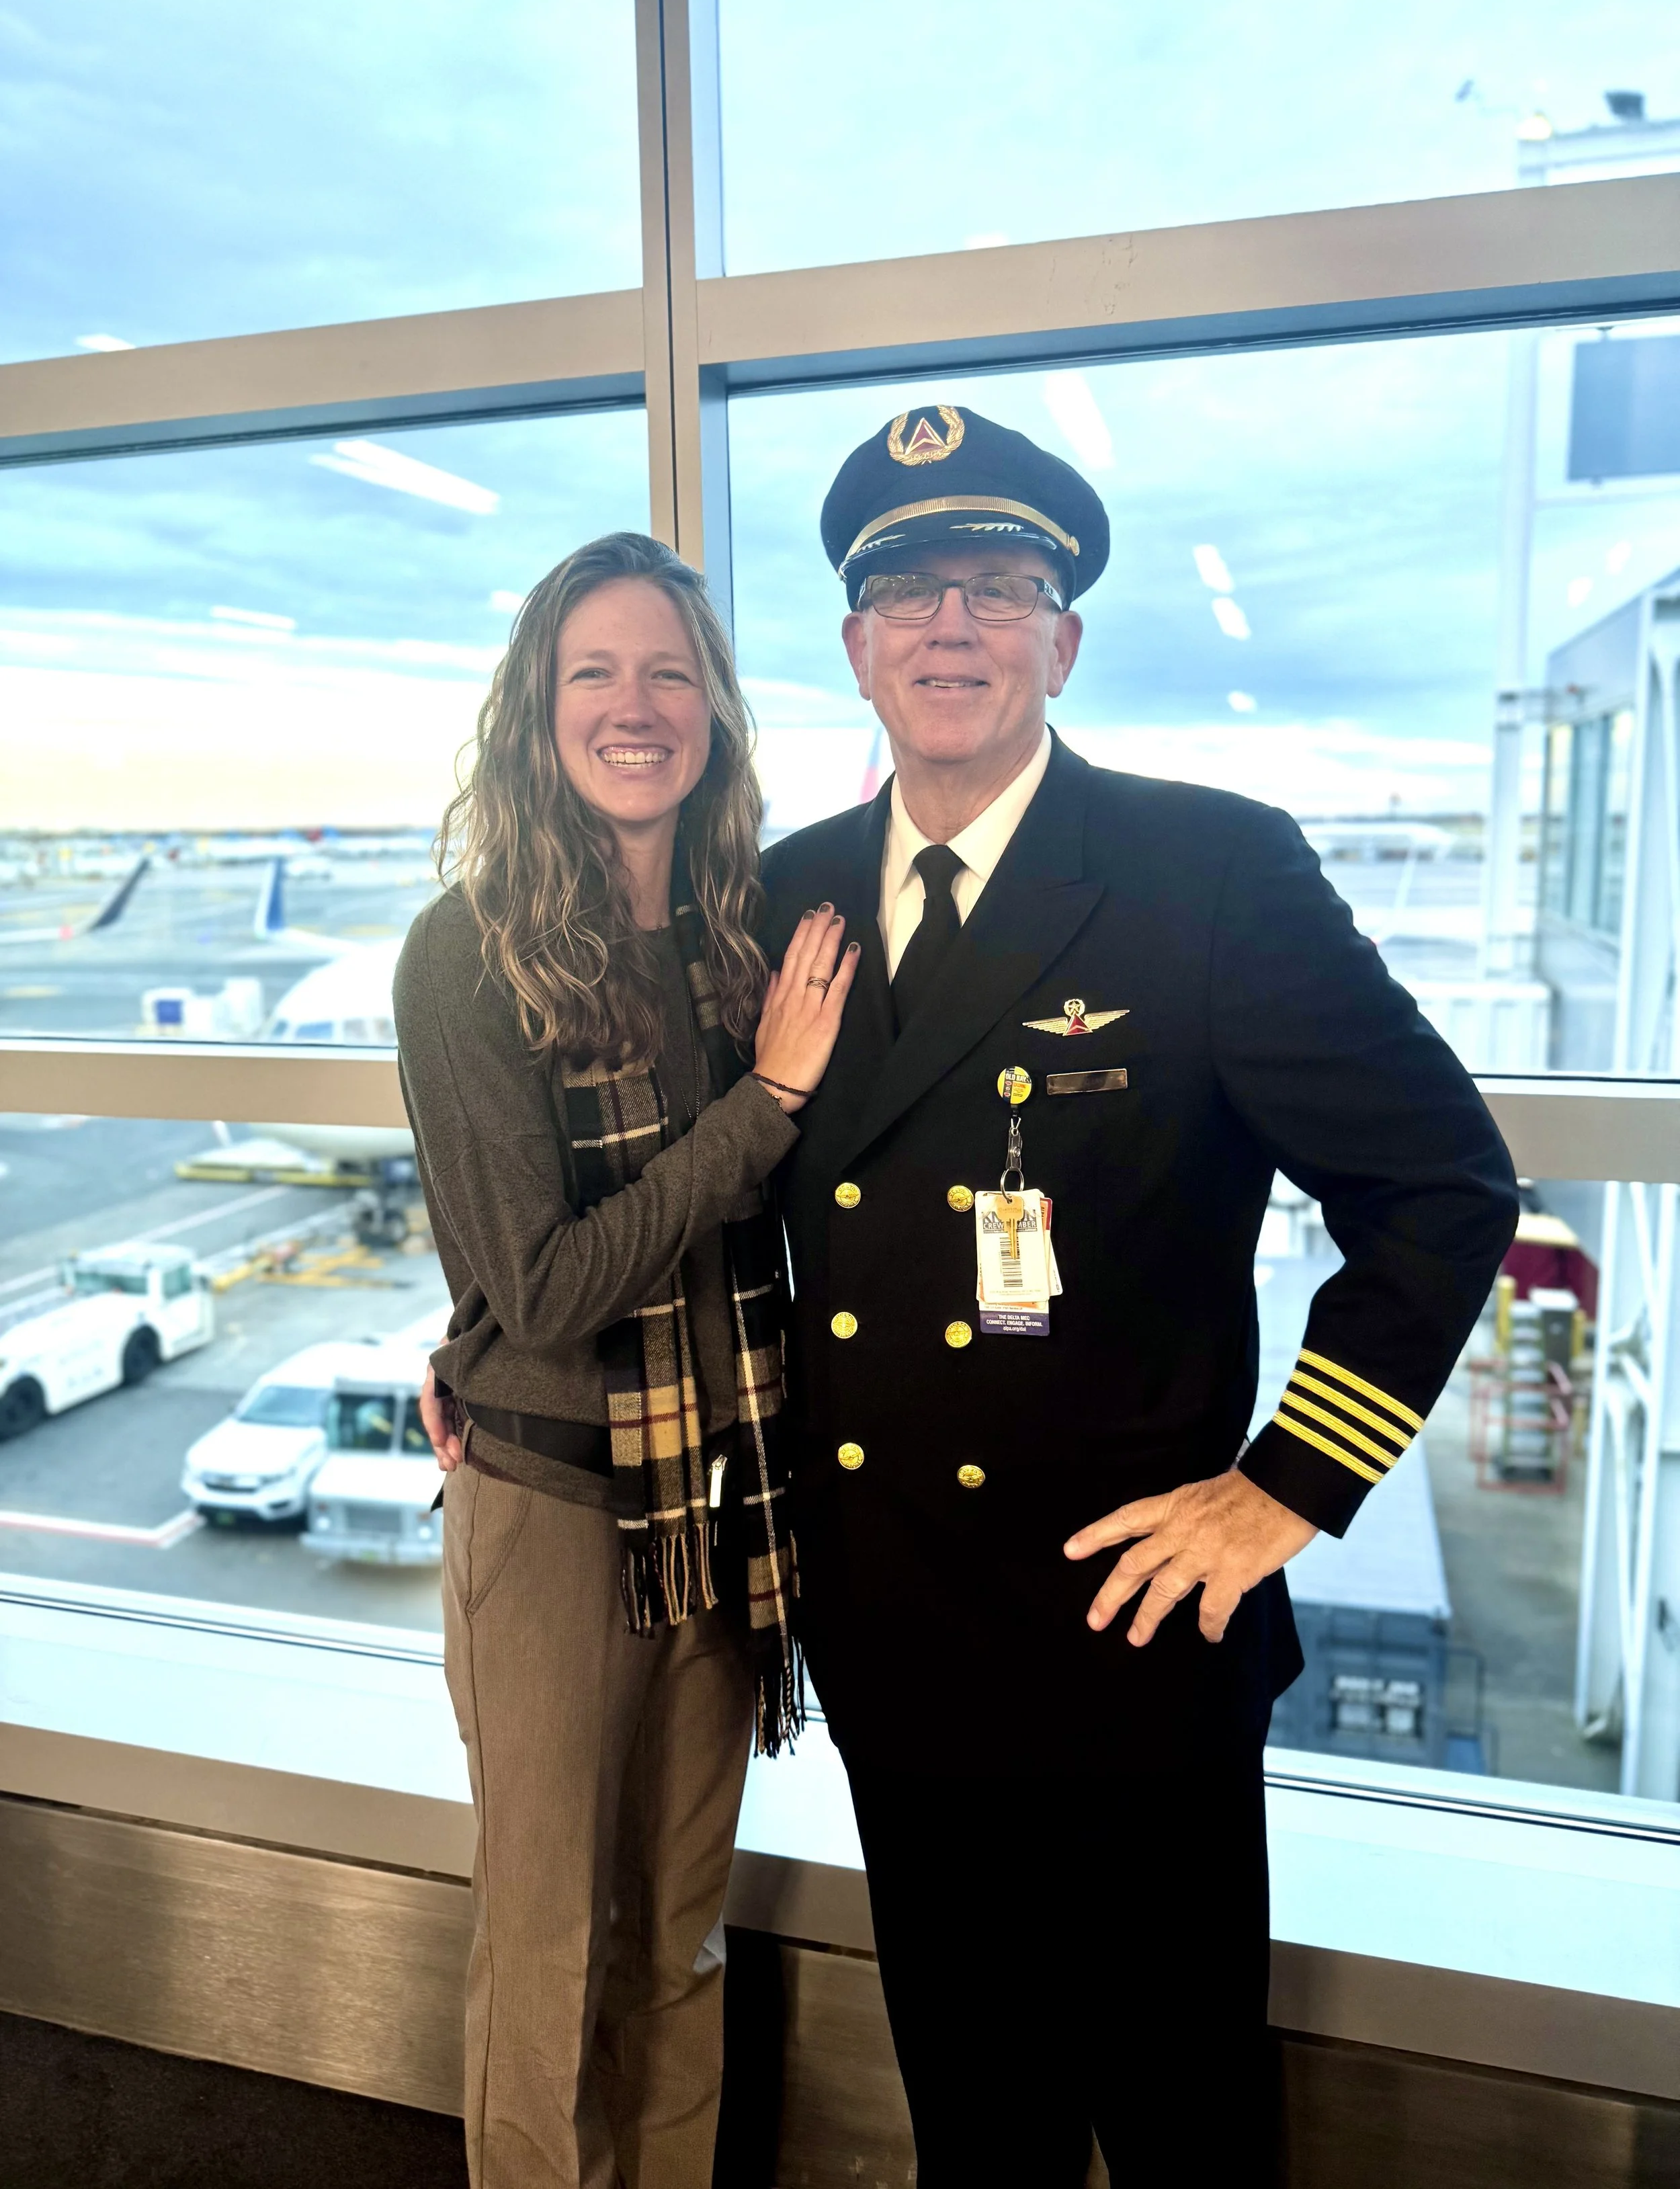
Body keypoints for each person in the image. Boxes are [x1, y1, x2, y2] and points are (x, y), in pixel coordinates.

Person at [757, 406, 1519, 2186]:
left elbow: (1437, 1187)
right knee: (973, 2110)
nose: (953, 626)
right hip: (892, 1625)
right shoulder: (783, 890)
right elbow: (726, 1192)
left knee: (1178, 2121)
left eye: (1000, 587)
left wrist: (1288, 1485)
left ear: (1062, 639)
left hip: (1124, 1636)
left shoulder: (1207, 873)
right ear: (857, 643)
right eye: (909, 591)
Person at [394, 531, 857, 2189]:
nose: (634, 703)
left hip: (719, 1512)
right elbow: (540, 1284)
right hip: (550, 1516)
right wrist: (766, 1107)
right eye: (592, 670)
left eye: (667, 669)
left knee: (678, 1943)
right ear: (535, 711)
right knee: (545, 1957)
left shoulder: (745, 942)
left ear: (715, 711)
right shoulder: (471, 952)